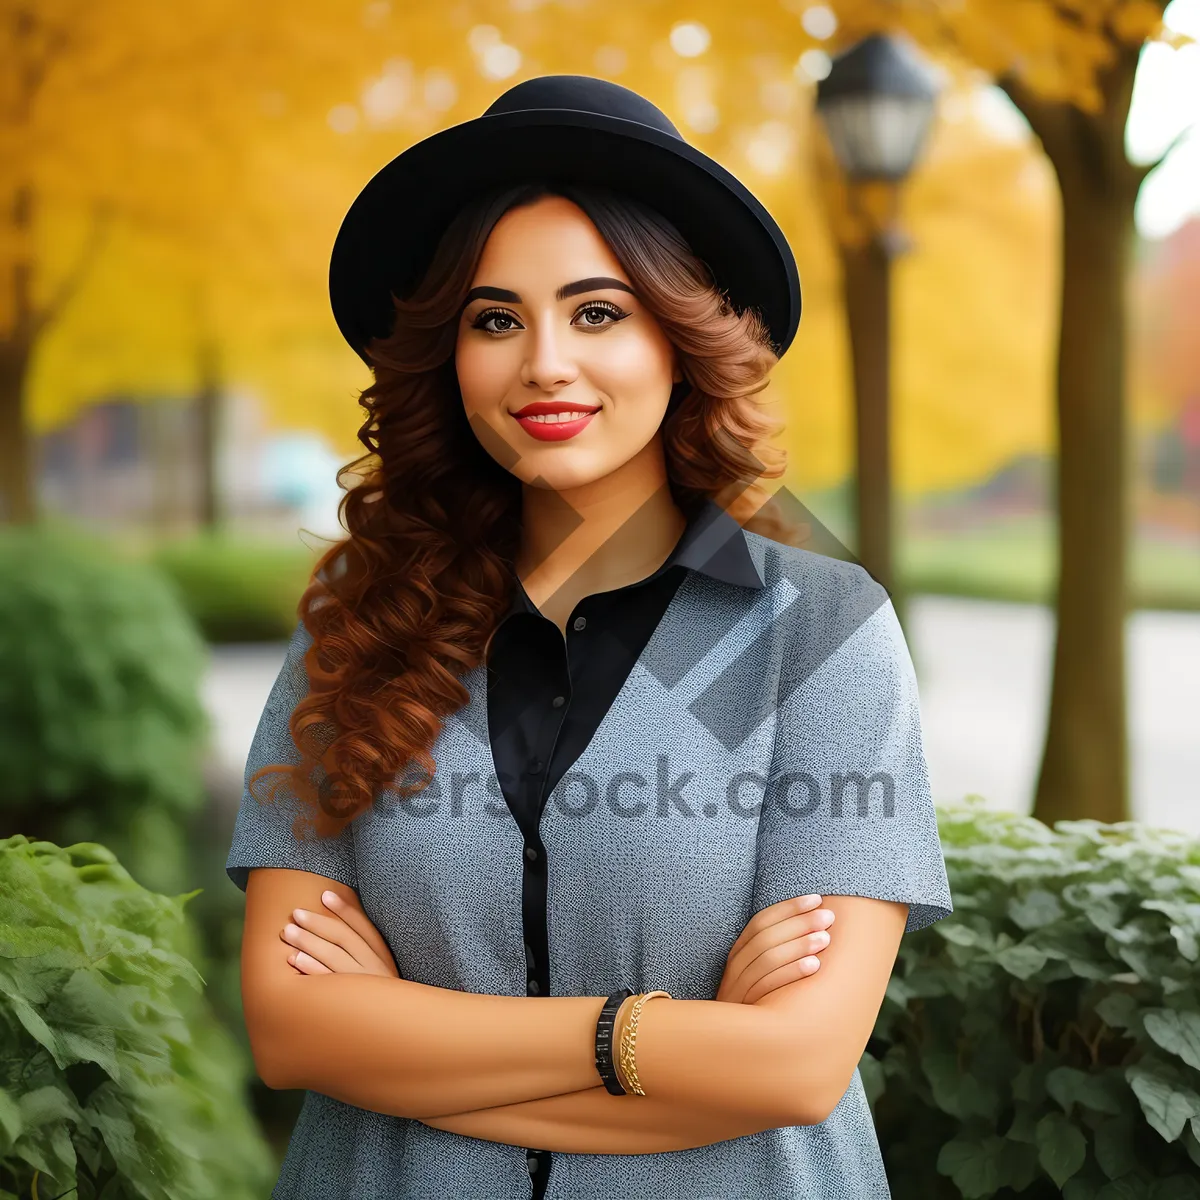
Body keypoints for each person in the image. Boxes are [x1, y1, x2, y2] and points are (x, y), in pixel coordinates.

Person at [225, 74, 953, 1200]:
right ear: (448, 357)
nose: (545, 364)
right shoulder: (353, 631)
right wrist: (647, 1041)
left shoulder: (821, 633)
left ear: (683, 338)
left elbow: (800, 1065)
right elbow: (290, 1030)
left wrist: (404, 1042)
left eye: (598, 311)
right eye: (496, 319)